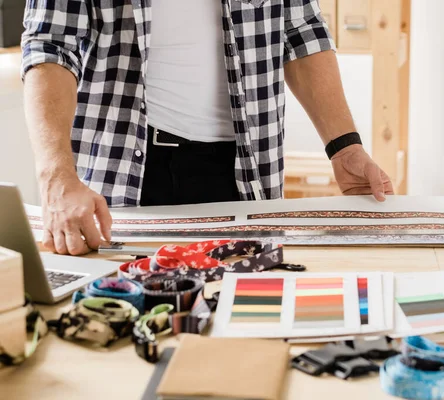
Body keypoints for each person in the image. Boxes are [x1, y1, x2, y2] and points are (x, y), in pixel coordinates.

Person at [20, 0, 394, 256]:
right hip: (127, 176)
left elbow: (300, 32)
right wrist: (56, 178)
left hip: (245, 177)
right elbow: (51, 44)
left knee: (243, 335)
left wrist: (345, 147)